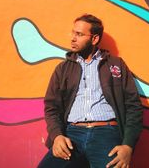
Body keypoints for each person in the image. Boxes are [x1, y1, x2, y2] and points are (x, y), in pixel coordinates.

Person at [38, 14, 143, 168]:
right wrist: (57, 136)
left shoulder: (116, 65)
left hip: (106, 133)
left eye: (79, 34)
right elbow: (51, 107)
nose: (73, 38)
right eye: (73, 33)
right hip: (72, 134)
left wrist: (128, 146)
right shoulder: (63, 69)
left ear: (94, 39)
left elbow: (133, 106)